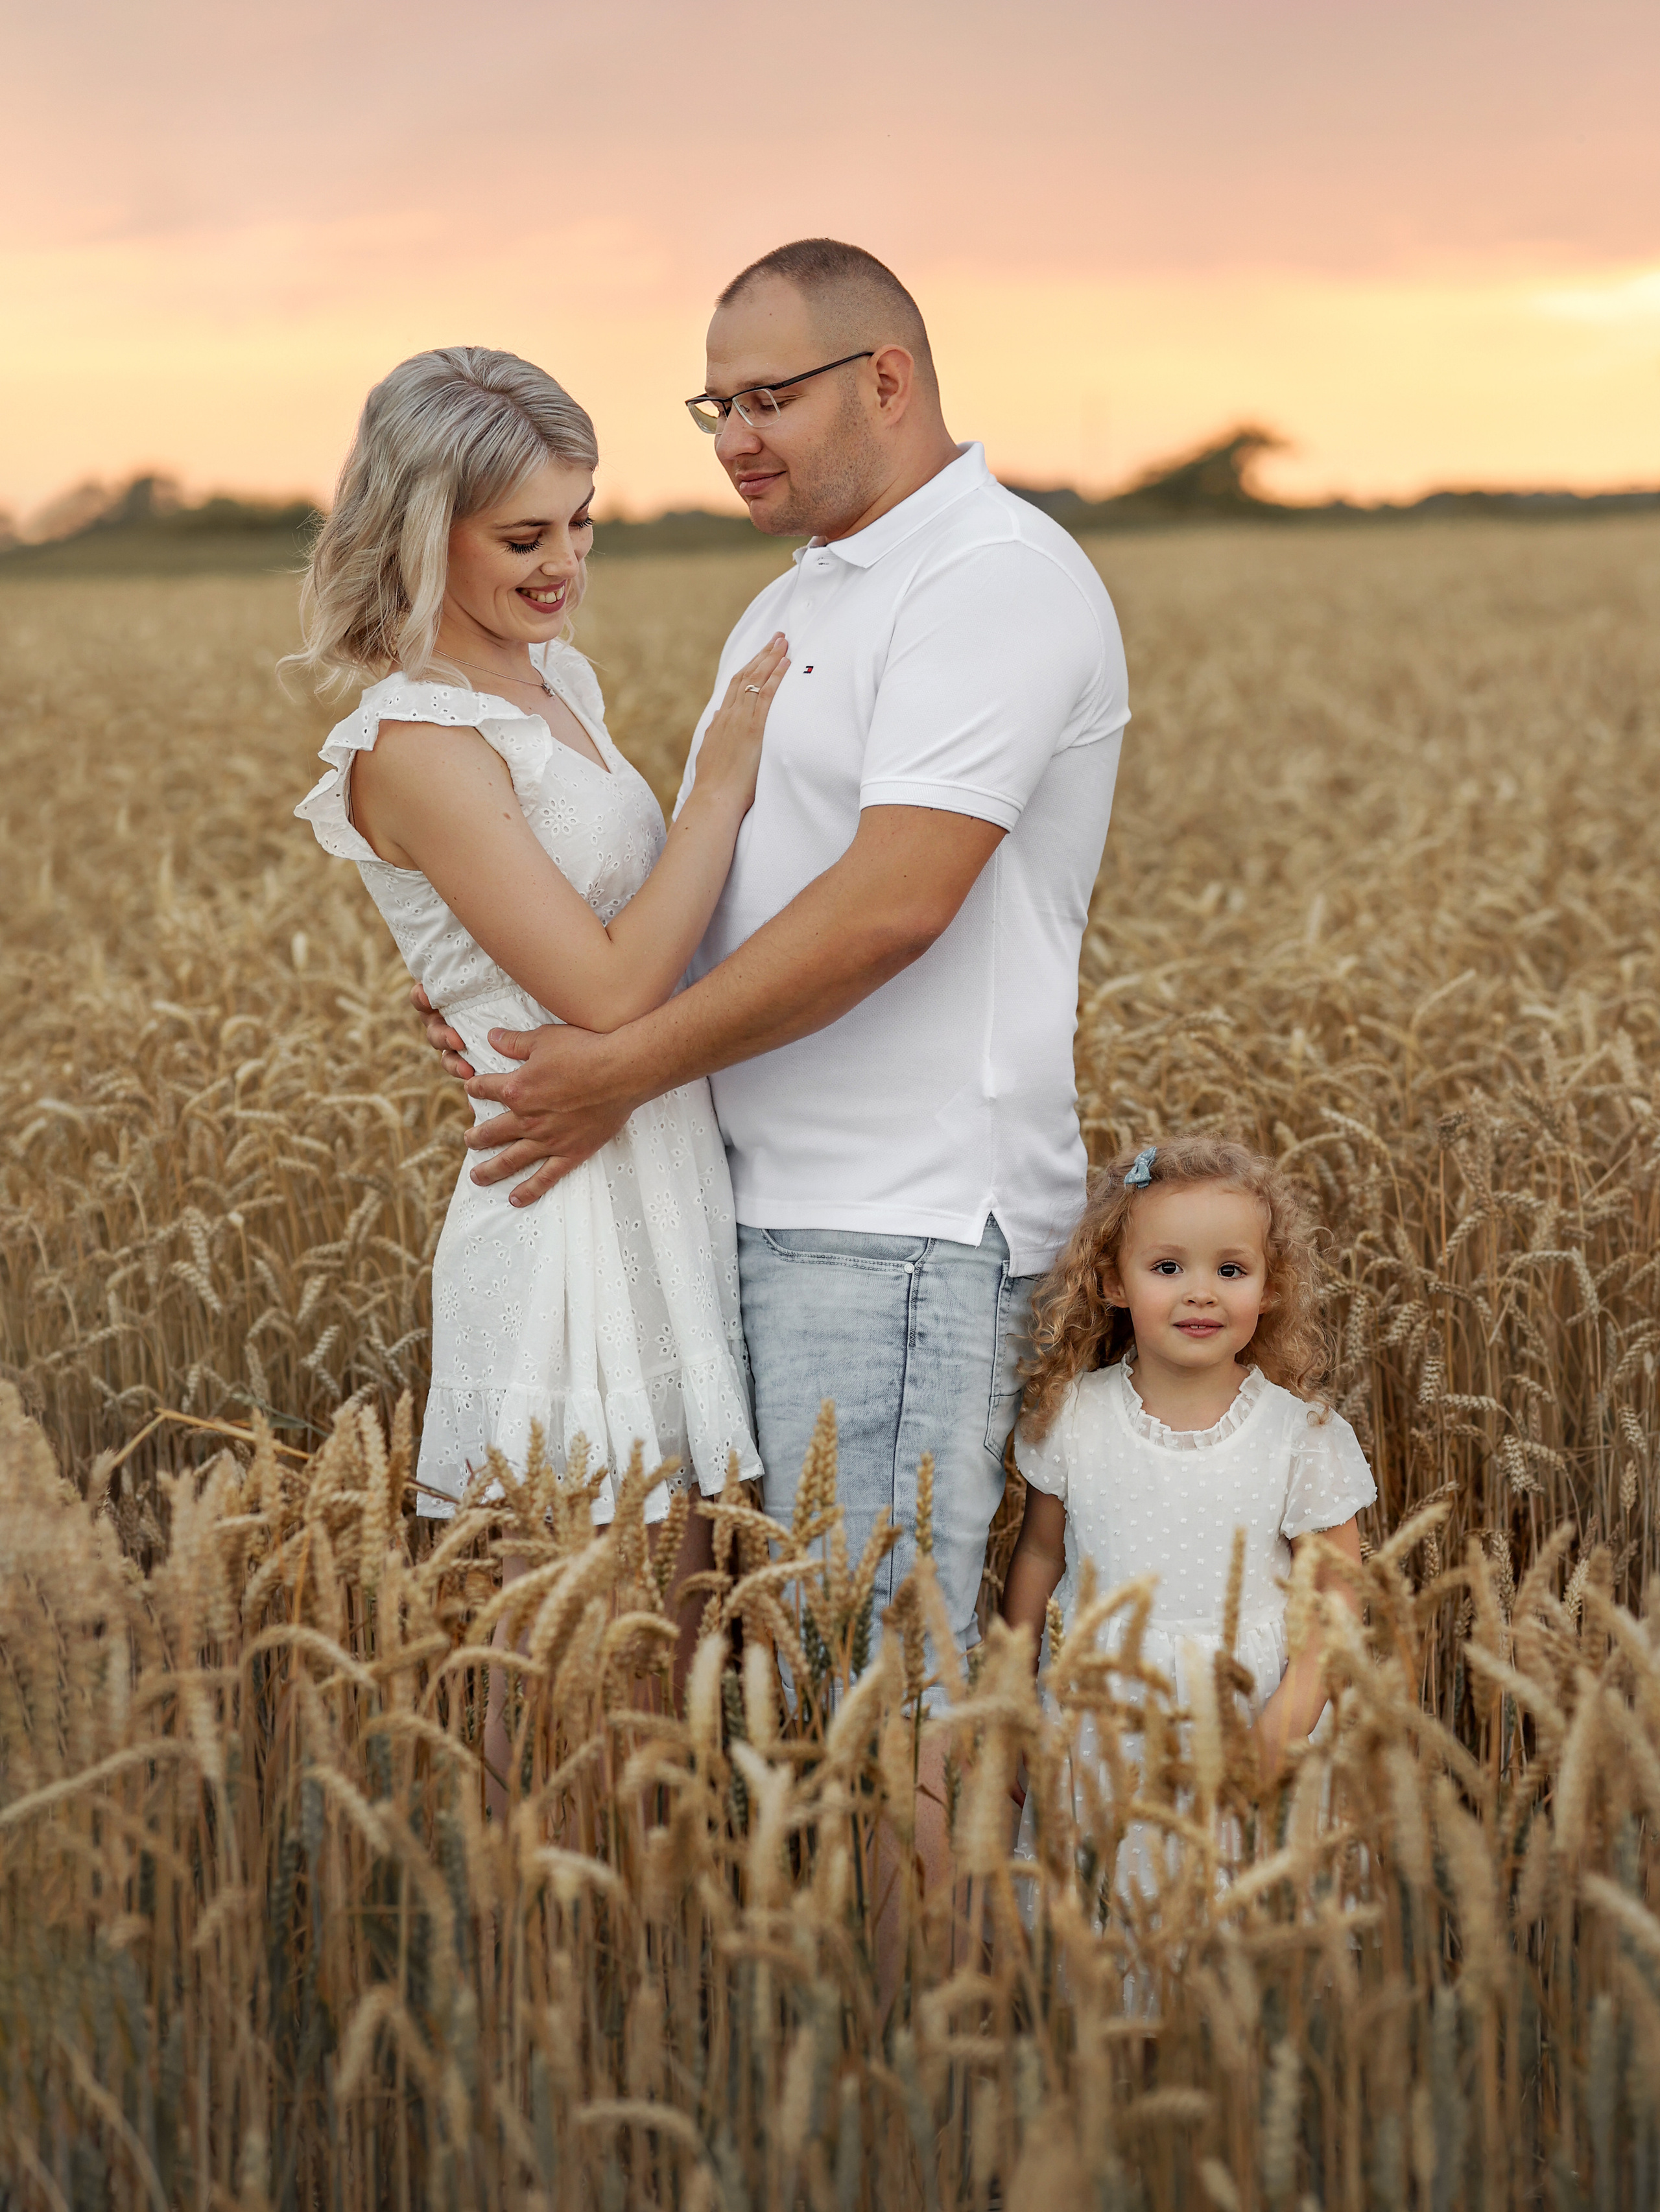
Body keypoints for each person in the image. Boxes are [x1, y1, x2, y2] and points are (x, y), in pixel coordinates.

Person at [290, 347, 786, 1682]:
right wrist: (719, 784)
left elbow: (588, 938)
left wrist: (470, 986)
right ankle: (537, 1899)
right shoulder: (417, 742)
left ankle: (635, 1900)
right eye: (522, 535)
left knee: (668, 1639)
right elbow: (613, 985)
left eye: (582, 523)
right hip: (560, 1197)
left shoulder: (555, 685)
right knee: (572, 1662)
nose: (564, 561)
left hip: (655, 1160)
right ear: (418, 531)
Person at [1000, 1136, 1377, 1839]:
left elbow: (1339, 1601)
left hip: (1254, 1714)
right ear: (1114, 1282)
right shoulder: (1072, 1416)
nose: (1200, 1291)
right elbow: (1038, 1555)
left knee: (1236, 1918)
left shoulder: (1303, 1435)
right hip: (1098, 1720)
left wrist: (1284, 1727)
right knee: (1101, 1917)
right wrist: (1016, 1699)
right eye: (1167, 1266)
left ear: (1269, 1289)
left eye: (1230, 1269)